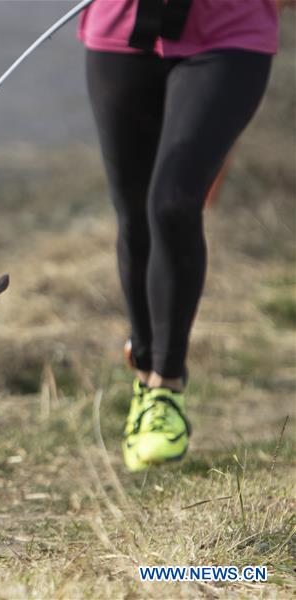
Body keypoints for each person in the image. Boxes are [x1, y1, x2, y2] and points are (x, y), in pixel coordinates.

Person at [79, 0, 280, 471]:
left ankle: (167, 387)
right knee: (133, 213)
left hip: (229, 35)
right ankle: (144, 374)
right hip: (120, 30)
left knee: (172, 203)